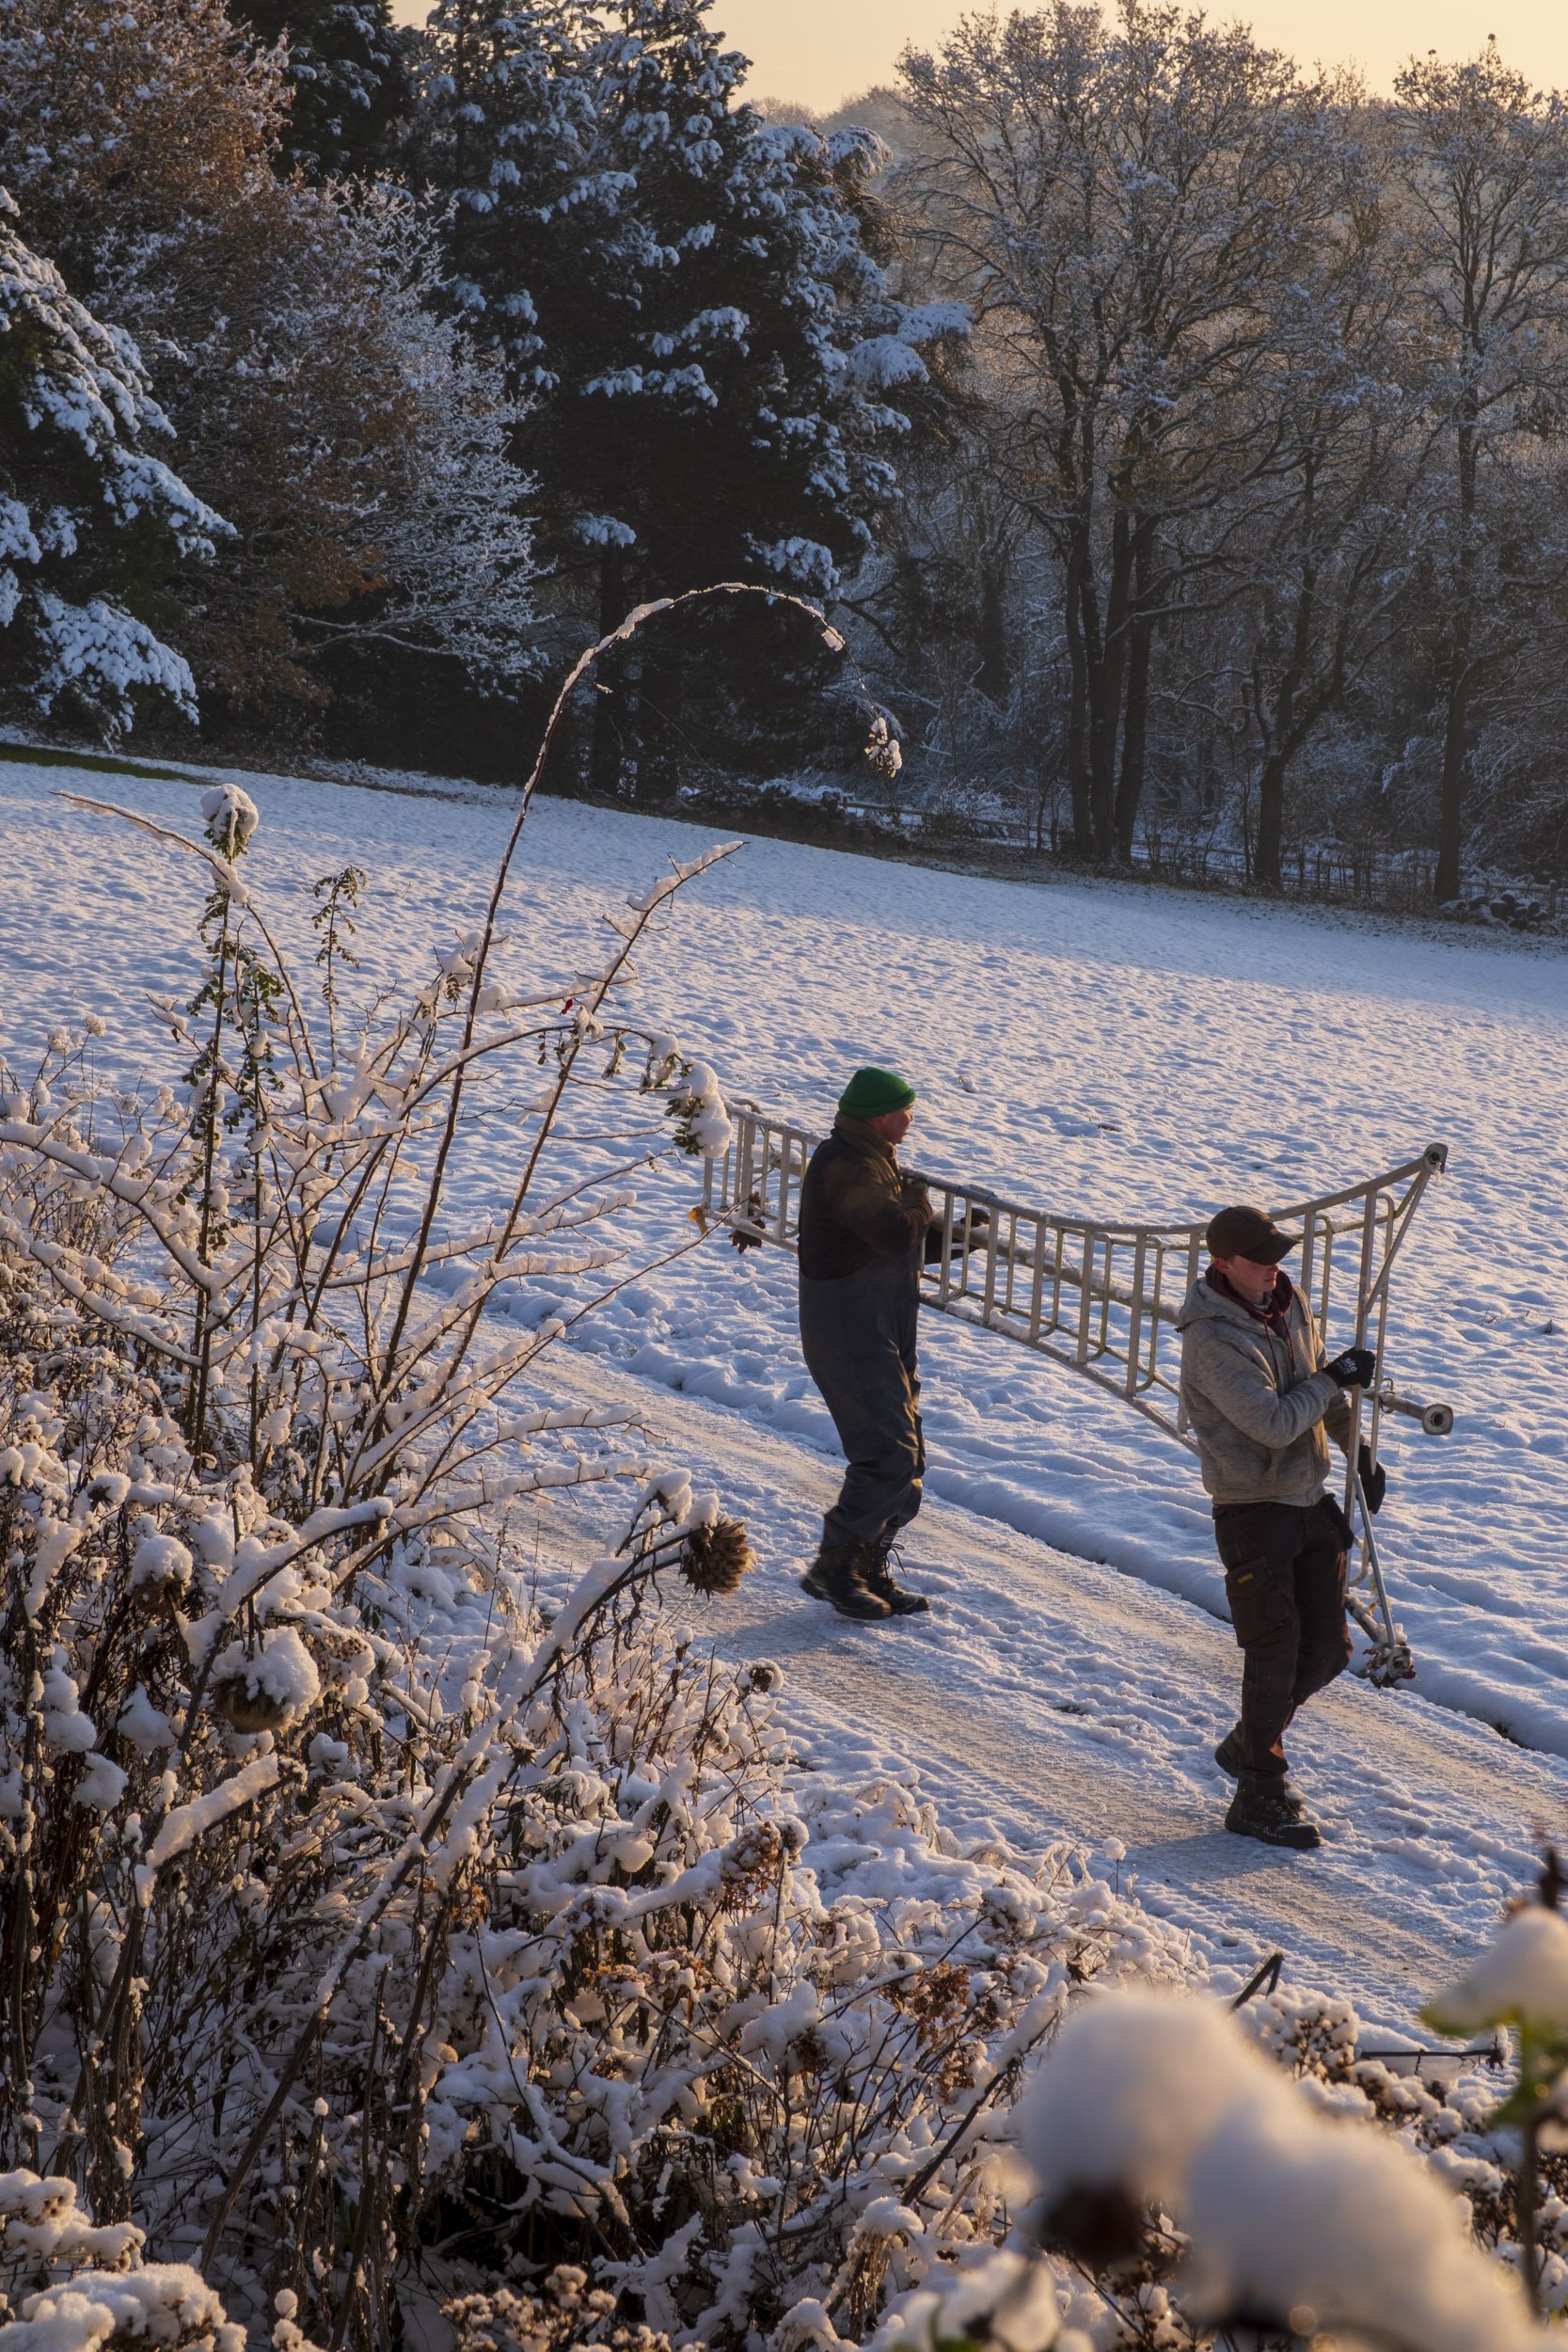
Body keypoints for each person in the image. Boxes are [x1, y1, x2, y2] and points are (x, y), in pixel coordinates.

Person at [1176, 1203, 1384, 1851]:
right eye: (1259, 1261)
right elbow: (1271, 1421)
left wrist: (1359, 1454)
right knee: (1274, 1650)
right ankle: (1256, 1794)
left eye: (1275, 1258)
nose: (1272, 1270)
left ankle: (1246, 1743)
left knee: (1326, 1650)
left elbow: (1322, 1392)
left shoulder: (1287, 1304)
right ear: (1221, 1263)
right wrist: (1329, 1380)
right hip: (1251, 1510)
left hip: (1306, 1498)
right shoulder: (1209, 1338)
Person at [797, 1066, 937, 1621]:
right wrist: (921, 1205)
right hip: (848, 1330)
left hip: (882, 1324)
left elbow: (889, 1242)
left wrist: (954, 1233)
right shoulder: (847, 1167)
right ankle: (833, 1568)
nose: (910, 1119)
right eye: (905, 1110)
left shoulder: (870, 1161)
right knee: (887, 1454)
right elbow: (897, 1231)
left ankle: (867, 1569)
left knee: (909, 1460)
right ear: (880, 1116)